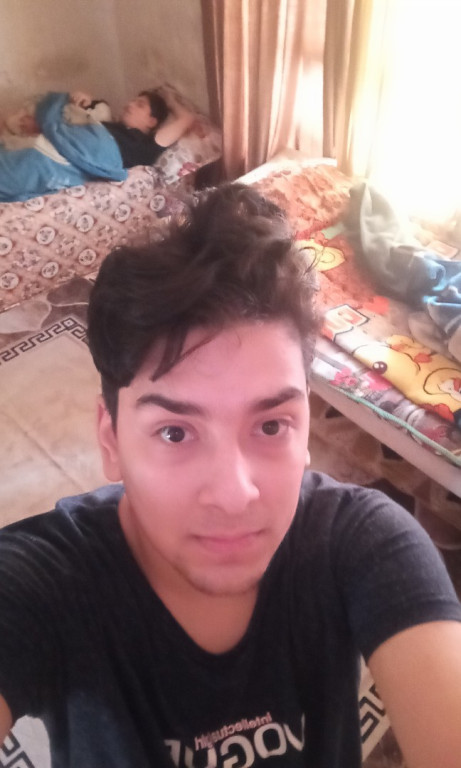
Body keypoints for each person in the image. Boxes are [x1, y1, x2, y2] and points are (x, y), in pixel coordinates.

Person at [0, 183, 460, 768]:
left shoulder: (364, 541)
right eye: (175, 433)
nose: (234, 493)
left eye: (271, 425)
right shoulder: (45, 584)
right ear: (111, 439)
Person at [70, 86, 196, 168]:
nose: (129, 105)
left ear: (151, 122)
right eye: (132, 101)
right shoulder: (112, 126)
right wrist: (84, 103)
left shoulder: (146, 145)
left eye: (140, 105)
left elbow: (187, 119)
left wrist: (170, 102)